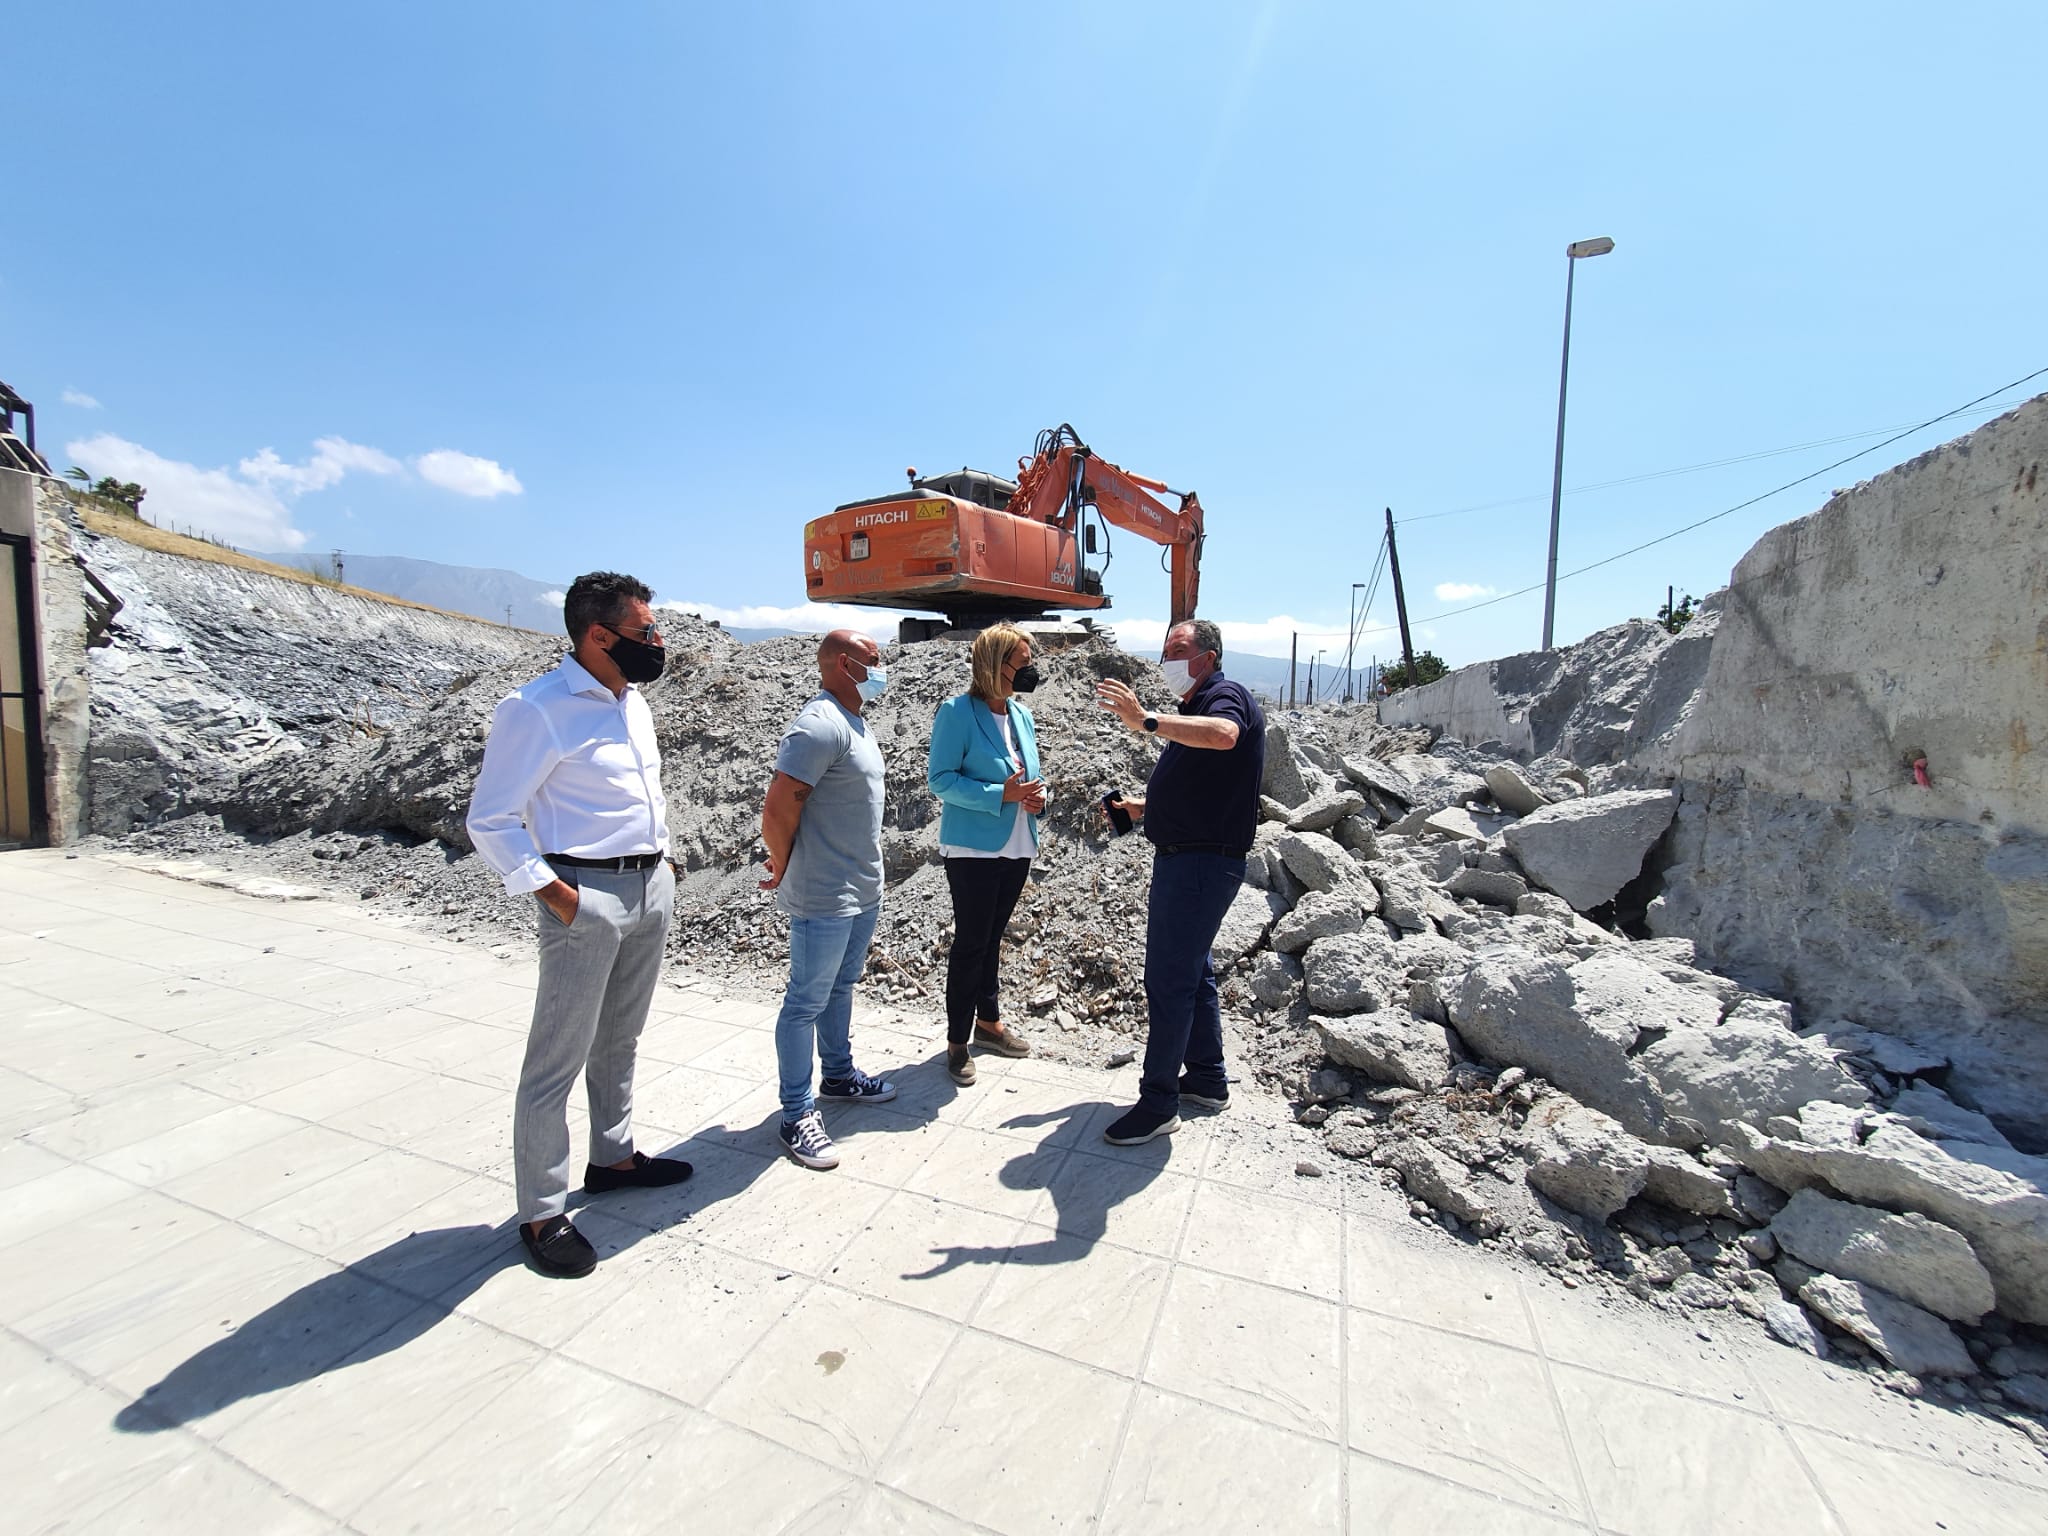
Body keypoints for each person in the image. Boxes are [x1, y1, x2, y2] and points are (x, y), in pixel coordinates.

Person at [466, 571, 693, 1279]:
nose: (658, 643)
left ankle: (614, 1157)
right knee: (555, 1059)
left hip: (648, 884)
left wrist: (665, 867)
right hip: (584, 893)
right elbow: (491, 817)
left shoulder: (633, 703)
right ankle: (540, 1210)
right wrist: (558, 896)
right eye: (646, 632)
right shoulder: (535, 709)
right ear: (599, 636)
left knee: (620, 1038)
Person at [1093, 617, 1266, 1146]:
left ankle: (1158, 1101)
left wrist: (1146, 720)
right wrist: (1145, 807)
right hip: (1191, 858)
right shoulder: (1194, 708)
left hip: (1199, 864)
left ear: (1208, 657)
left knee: (1168, 979)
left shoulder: (1224, 696)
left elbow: (1225, 736)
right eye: (1165, 648)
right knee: (1194, 974)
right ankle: (1208, 1080)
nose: (1167, 658)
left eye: (1179, 649)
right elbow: (1203, 784)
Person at [759, 629, 900, 1170]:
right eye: (874, 659)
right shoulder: (818, 725)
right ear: (845, 663)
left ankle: (838, 1075)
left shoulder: (854, 722)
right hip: (824, 893)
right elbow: (778, 809)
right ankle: (796, 1113)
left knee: (842, 986)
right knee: (804, 1003)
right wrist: (782, 861)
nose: (882, 667)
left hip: (862, 888)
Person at [926, 624, 1045, 1086]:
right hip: (973, 846)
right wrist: (1002, 793)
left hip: (1017, 843)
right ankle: (958, 1041)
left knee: (993, 938)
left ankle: (989, 1023)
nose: (1031, 667)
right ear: (997, 665)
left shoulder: (1022, 716)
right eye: (1023, 660)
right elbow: (941, 779)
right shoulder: (956, 712)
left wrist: (1038, 797)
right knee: (972, 941)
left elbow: (1031, 776)